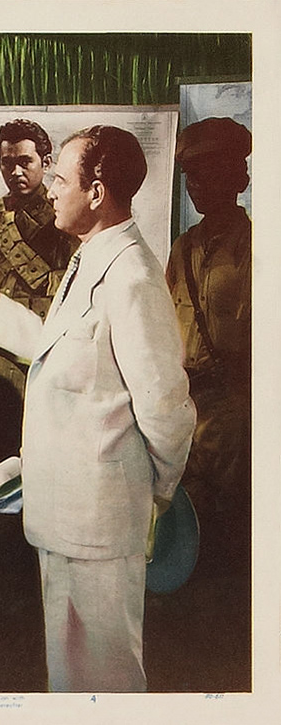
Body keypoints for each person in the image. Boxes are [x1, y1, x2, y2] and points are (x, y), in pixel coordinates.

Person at [0, 126, 195, 692]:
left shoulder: (131, 276)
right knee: (71, 677)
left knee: (107, 679)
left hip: (102, 518)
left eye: (59, 177)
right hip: (69, 515)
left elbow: (166, 407)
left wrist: (150, 493)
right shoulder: (92, 256)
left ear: (96, 193)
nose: (49, 188)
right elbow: (66, 353)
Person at [0, 119, 77, 461]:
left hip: (40, 354)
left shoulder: (65, 221)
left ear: (46, 162)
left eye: (25, 161)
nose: (15, 171)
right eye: (7, 163)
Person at [165, 117, 251, 563]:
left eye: (208, 172)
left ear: (238, 179)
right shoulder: (183, 247)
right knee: (188, 513)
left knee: (232, 521)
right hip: (186, 401)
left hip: (236, 405)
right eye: (190, 175)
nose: (196, 184)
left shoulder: (256, 245)